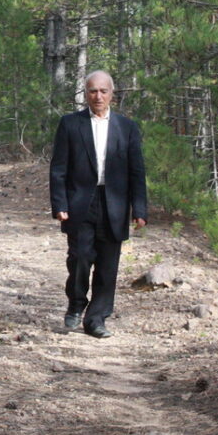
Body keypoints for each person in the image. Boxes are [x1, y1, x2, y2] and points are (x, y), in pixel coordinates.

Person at [49, 71, 147, 338]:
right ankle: (76, 302)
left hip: (114, 203)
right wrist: (59, 203)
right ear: (86, 94)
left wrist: (139, 209)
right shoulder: (70, 124)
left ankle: (97, 318)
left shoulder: (127, 127)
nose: (98, 96)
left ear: (112, 94)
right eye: (93, 91)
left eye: (103, 91)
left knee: (107, 264)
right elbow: (58, 168)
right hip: (80, 202)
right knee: (80, 257)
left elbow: (137, 171)